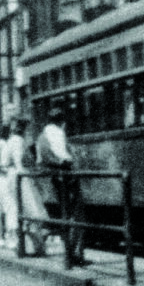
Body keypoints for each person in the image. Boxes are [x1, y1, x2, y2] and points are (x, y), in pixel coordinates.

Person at [37, 108, 85, 264]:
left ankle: (69, 252)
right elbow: (64, 155)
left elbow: (43, 156)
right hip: (66, 175)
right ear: (60, 120)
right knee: (76, 214)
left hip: (55, 177)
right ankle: (72, 253)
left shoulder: (43, 135)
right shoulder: (58, 133)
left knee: (65, 212)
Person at [4, 118, 47, 254]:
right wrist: (31, 176)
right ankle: (33, 246)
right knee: (32, 210)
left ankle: (26, 245)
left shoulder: (11, 141)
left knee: (21, 210)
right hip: (21, 179)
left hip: (13, 177)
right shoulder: (18, 141)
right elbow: (19, 163)